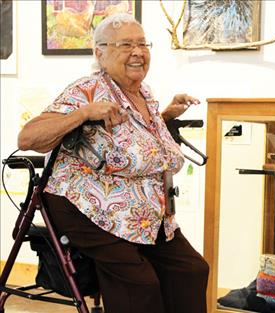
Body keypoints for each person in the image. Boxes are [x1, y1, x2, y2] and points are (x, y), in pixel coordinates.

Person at [17, 13, 208, 313]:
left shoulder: (143, 93)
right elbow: (28, 138)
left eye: (143, 44)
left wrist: (166, 116)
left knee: (191, 270)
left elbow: (137, 141)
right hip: (87, 206)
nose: (137, 52)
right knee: (139, 283)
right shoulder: (86, 90)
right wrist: (84, 113)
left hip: (146, 214)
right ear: (100, 53)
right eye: (126, 44)